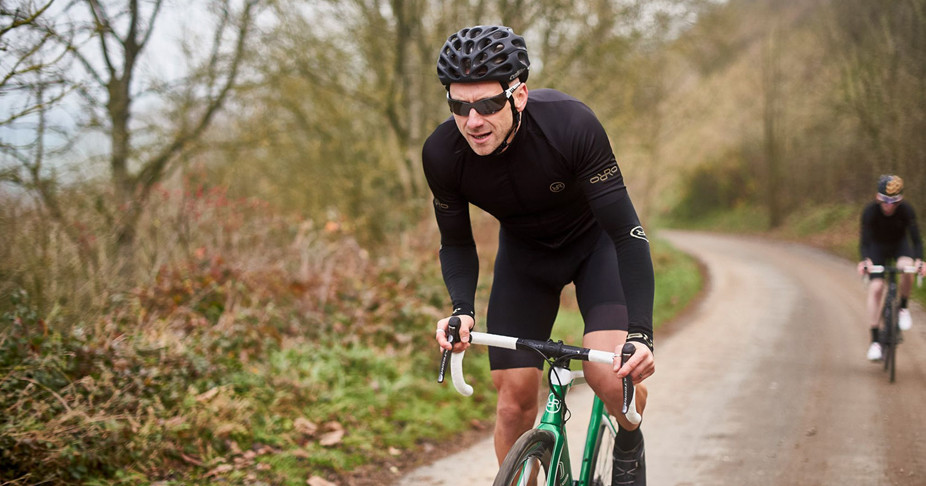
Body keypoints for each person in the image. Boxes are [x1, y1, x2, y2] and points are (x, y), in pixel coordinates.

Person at [422, 25, 655, 485]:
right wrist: (462, 311)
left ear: (519, 95)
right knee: (513, 404)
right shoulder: (442, 153)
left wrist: (642, 335)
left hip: (597, 248)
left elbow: (627, 234)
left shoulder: (571, 125)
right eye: (459, 106)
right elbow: (457, 242)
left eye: (487, 104)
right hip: (525, 260)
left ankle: (628, 438)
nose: (473, 121)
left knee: (608, 376)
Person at [856, 174, 925, 361]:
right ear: (878, 197)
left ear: (900, 200)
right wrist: (865, 261)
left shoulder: (906, 211)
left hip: (899, 246)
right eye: (885, 200)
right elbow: (864, 242)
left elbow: (916, 240)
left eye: (894, 201)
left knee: (907, 267)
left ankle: (902, 307)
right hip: (876, 248)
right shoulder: (870, 211)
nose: (889, 206)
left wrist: (920, 261)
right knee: (877, 287)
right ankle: (875, 340)